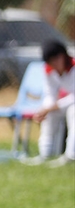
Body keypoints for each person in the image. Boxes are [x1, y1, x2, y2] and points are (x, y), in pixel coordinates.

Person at [28, 39, 74, 167]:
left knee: (73, 112)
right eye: (51, 60)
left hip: (72, 104)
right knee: (49, 116)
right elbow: (50, 94)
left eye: (57, 58)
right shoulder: (49, 70)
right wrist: (44, 109)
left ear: (63, 56)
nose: (55, 63)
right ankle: (45, 154)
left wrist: (51, 107)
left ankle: (71, 155)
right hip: (65, 103)